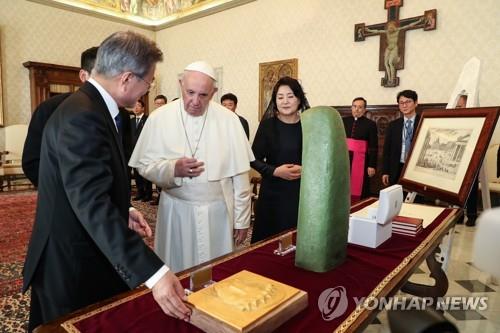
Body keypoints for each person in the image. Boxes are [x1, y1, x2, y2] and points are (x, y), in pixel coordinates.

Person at [22, 31, 190, 331]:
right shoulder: (83, 117)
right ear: (126, 78)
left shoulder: (90, 107)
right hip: (71, 262)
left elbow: (87, 184)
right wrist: (154, 273)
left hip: (82, 249)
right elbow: (92, 204)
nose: (146, 91)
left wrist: (122, 209)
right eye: (147, 82)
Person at [129, 60, 254, 273]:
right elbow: (144, 166)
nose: (195, 101)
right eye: (190, 92)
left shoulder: (229, 120)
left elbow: (240, 176)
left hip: (219, 213)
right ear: (180, 84)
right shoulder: (159, 118)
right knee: (178, 270)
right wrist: (172, 169)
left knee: (218, 273)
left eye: (203, 95)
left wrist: (242, 220)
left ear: (214, 92)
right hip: (176, 211)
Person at [251, 76, 310, 243]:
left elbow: (320, 159)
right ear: (275, 100)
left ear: (299, 99)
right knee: (268, 245)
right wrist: (275, 171)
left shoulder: (309, 125)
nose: (285, 101)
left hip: (301, 193)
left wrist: (306, 169)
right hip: (272, 193)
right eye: (280, 97)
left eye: (290, 96)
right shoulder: (267, 126)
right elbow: (252, 159)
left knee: (298, 243)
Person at [366, 18, 423, 86]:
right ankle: (389, 79)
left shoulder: (398, 30)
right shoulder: (386, 32)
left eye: (391, 27)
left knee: (390, 62)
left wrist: (419, 21)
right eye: (389, 28)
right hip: (388, 48)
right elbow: (377, 31)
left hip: (394, 48)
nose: (390, 29)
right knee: (386, 63)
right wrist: (369, 30)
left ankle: (392, 79)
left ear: (394, 27)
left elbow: (409, 25)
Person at [382, 90, 421, 187]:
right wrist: (385, 171)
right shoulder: (393, 125)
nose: (404, 105)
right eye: (401, 103)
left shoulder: (423, 122)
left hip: (416, 169)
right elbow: (387, 150)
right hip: (397, 167)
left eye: (408, 102)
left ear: (416, 103)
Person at [343, 97, 378, 200]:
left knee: (360, 186)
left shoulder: (370, 124)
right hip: (344, 158)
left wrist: (372, 165)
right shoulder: (343, 121)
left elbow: (373, 146)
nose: (357, 109)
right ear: (351, 107)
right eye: (354, 106)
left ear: (364, 109)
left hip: (361, 161)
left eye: (360, 107)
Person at [455, 95, 478, 226]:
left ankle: (472, 215)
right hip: (458, 159)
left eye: (460, 106)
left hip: (472, 158)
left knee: (471, 186)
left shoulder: (477, 118)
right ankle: (458, 215)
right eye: (456, 106)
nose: (457, 109)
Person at [131, 99, 153, 202]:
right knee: (136, 173)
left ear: (143, 108)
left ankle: (148, 194)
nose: (135, 108)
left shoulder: (148, 119)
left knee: (145, 173)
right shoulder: (130, 121)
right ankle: (140, 193)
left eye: (138, 106)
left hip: (145, 151)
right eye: (134, 106)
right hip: (133, 151)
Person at [151, 94, 168, 205]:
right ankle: (158, 195)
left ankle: (164, 197)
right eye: (157, 104)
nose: (159, 106)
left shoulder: (171, 116)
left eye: (161, 104)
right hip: (156, 150)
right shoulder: (153, 117)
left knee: (166, 175)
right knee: (158, 175)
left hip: (167, 150)